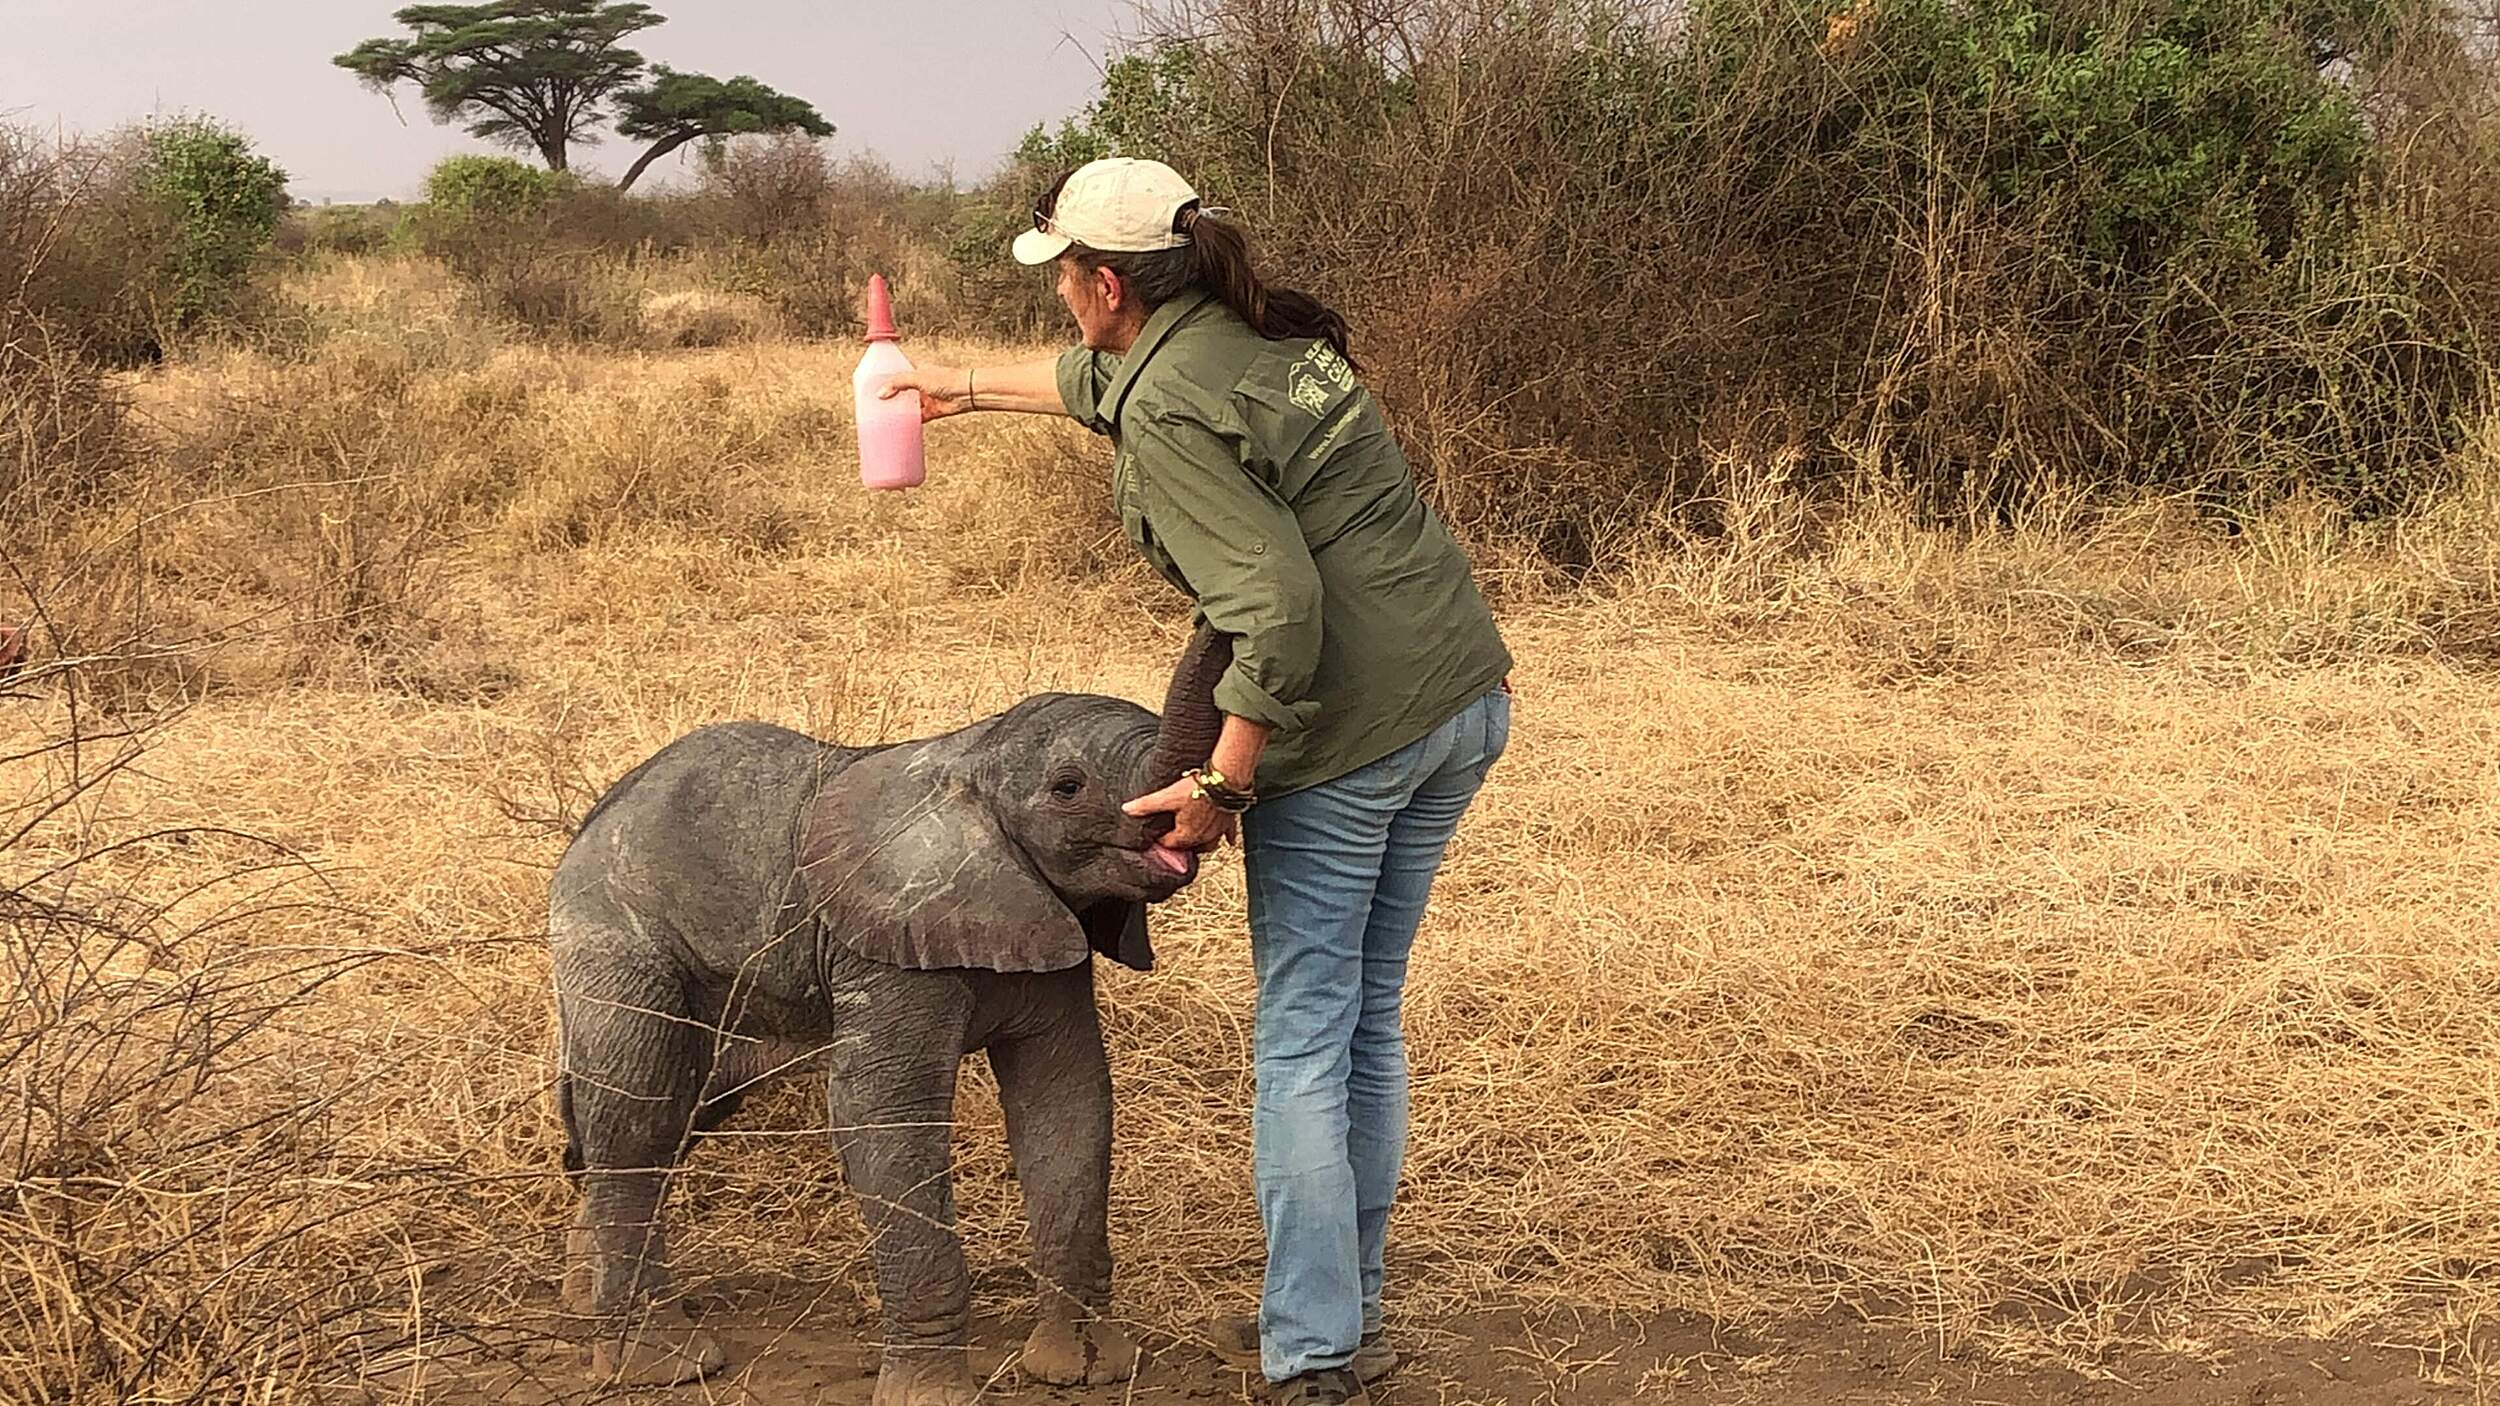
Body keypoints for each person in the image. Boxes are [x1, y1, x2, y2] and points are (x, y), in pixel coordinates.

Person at [880, 156, 1512, 1406]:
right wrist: (954, 386)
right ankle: (1341, 1311)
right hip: (1458, 697)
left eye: (1064, 274)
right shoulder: (1246, 331)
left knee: (1304, 1038)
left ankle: (1314, 1353)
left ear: (1107, 283)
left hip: (1354, 733)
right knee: (1361, 1018)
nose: (1060, 295)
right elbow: (1099, 384)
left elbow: (1274, 607)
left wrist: (1220, 783)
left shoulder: (1172, 398)